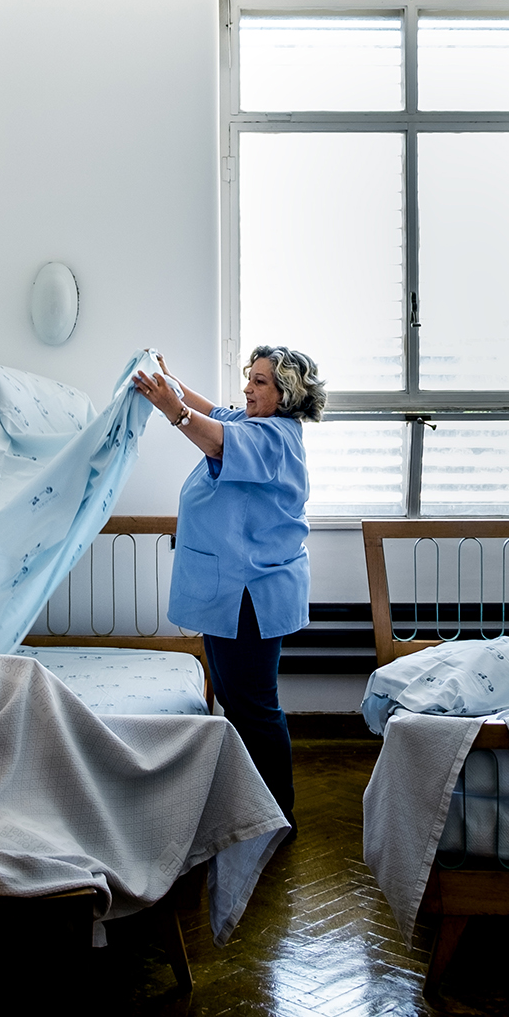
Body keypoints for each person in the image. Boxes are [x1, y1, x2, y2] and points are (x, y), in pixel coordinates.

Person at [131, 345, 326, 829]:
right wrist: (172, 384)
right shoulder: (254, 423)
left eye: (260, 382)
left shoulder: (273, 438)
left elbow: (215, 439)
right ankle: (253, 806)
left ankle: (277, 815)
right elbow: (217, 414)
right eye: (250, 378)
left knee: (254, 707)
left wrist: (173, 410)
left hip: (250, 595)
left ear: (286, 394)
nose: (247, 388)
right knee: (239, 703)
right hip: (235, 591)